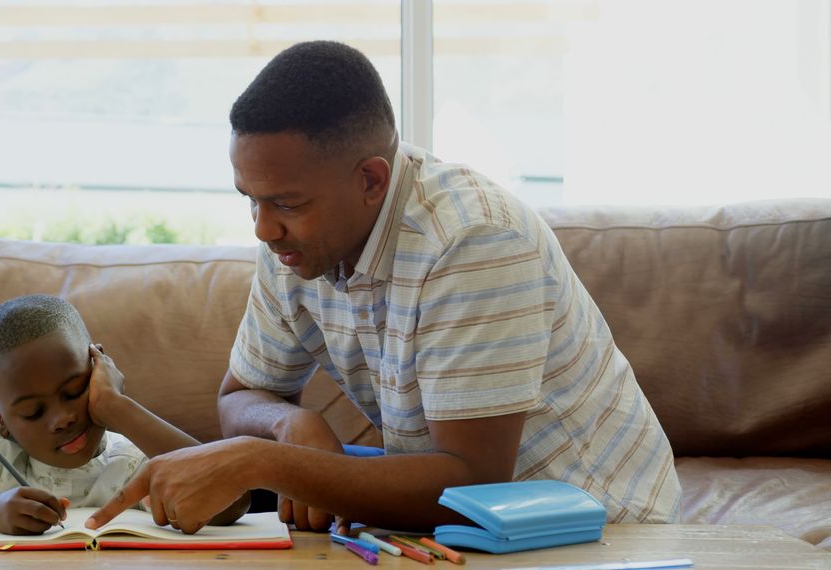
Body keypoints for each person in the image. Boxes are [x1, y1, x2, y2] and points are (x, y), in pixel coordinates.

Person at [86, 40, 682, 535]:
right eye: (252, 199)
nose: (263, 228)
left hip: (596, 532)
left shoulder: (471, 241)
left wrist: (260, 460)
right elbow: (239, 396)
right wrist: (290, 427)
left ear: (371, 179)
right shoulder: (295, 244)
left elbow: (473, 480)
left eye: (286, 203)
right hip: (454, 532)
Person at [0, 294, 249, 535]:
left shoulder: (133, 458)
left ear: (99, 370)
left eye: (75, 391)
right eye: (32, 411)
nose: (61, 418)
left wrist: (116, 405)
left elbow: (232, 503)